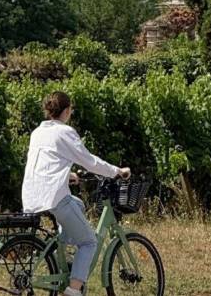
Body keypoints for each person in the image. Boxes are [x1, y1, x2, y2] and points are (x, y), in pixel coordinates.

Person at [22, 91, 131, 296]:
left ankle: (62, 255)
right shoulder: (65, 132)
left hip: (31, 195)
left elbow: (46, 161)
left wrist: (67, 174)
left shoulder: (38, 132)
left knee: (78, 204)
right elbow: (89, 161)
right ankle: (73, 289)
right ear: (66, 110)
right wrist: (116, 171)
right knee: (89, 241)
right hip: (53, 197)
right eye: (70, 109)